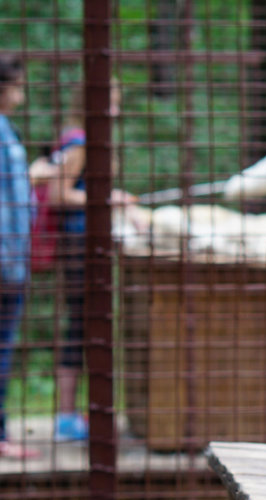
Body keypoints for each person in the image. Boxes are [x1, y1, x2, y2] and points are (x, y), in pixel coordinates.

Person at [43, 83, 135, 441]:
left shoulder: (82, 139)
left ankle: (78, 414)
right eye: (110, 100)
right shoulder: (79, 142)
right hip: (79, 243)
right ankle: (67, 417)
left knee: (85, 325)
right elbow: (58, 194)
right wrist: (106, 198)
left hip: (89, 242)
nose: (115, 108)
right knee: (80, 326)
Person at [0, 55, 37, 459]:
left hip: (13, 257)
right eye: (17, 86)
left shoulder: (6, 130)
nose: (22, 95)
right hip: (6, 259)